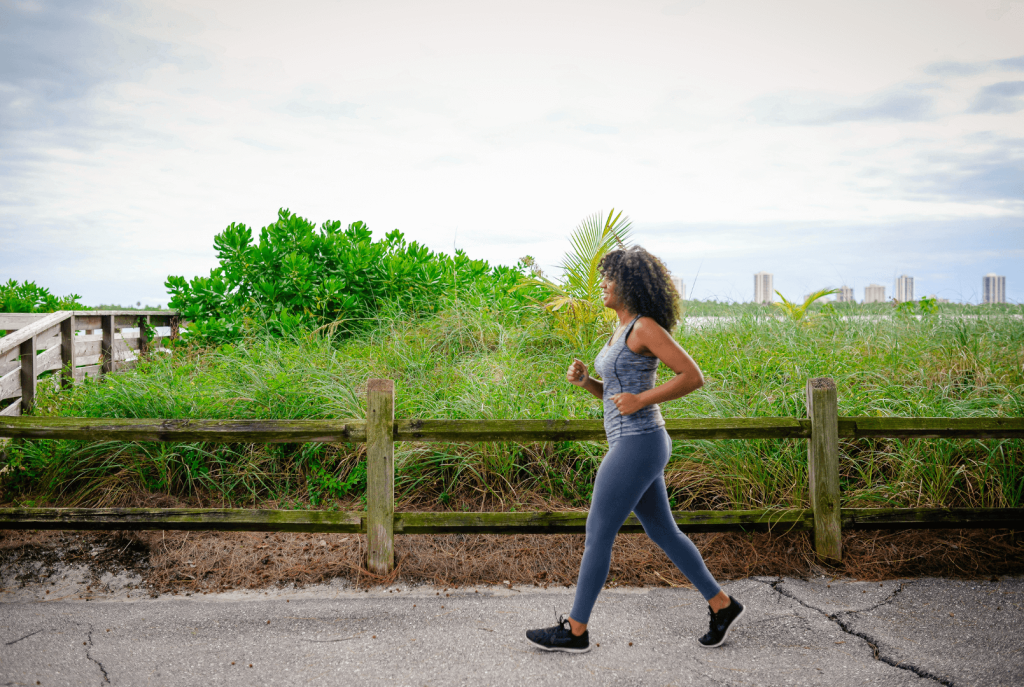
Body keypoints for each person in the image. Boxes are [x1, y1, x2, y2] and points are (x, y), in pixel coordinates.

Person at [525, 246, 745, 653]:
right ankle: (722, 604)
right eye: (604, 276)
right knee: (663, 531)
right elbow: (616, 394)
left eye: (610, 277)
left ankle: (575, 631)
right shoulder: (621, 330)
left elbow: (692, 376)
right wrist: (588, 382)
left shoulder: (645, 327)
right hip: (636, 441)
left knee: (598, 534)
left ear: (630, 284)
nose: (603, 284)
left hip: (638, 441)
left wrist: (642, 401)